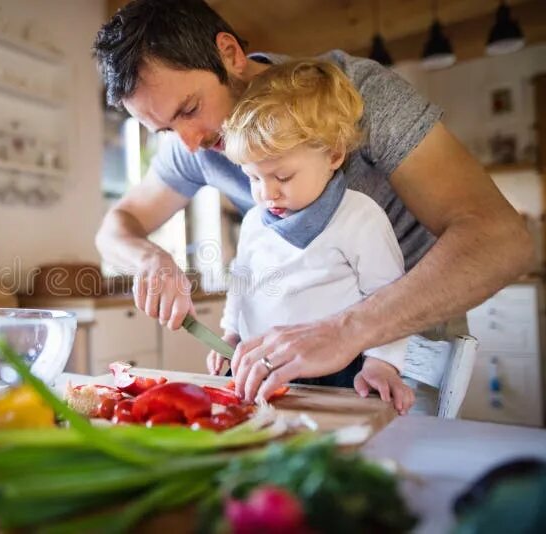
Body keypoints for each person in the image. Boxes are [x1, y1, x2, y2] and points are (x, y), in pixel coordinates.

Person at [92, 0, 532, 402]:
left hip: (401, 340)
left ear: (229, 53)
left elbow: (502, 241)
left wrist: (346, 331)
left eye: (188, 109)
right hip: (293, 355)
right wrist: (148, 260)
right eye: (165, 130)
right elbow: (118, 225)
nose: (188, 145)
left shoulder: (358, 95)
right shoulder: (193, 143)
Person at [206, 59, 414, 413]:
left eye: (282, 177)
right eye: (254, 179)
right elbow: (242, 280)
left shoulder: (359, 216)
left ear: (333, 155)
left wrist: (382, 363)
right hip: (265, 365)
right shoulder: (256, 221)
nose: (266, 193)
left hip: (341, 372)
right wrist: (231, 332)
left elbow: (390, 297)